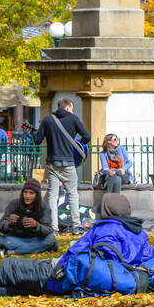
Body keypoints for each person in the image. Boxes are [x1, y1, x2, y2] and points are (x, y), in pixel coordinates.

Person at [0, 194, 150, 299]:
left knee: (12, 268)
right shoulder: (139, 233)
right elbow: (146, 260)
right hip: (76, 280)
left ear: (107, 210)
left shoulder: (108, 229)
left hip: (65, 273)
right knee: (14, 288)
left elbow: (96, 255)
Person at [32, 97, 90, 232]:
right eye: (72, 109)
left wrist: (34, 131)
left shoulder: (47, 119)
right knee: (73, 194)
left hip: (52, 164)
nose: (72, 111)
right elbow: (87, 137)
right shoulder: (73, 119)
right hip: (68, 163)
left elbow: (37, 140)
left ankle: (54, 228)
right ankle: (76, 226)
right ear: (68, 107)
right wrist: (76, 145)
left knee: (52, 195)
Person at [0, 178, 58, 257]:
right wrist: (9, 223)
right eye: (25, 192)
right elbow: (1, 227)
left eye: (31, 193)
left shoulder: (44, 207)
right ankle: (39, 248)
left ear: (37, 195)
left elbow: (49, 229)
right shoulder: (14, 204)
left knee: (51, 238)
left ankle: (10, 251)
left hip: (35, 239)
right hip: (16, 239)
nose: (27, 196)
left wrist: (37, 225)